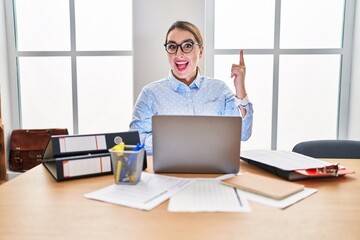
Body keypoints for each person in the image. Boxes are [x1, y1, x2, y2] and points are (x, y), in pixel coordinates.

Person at [130, 20, 253, 155]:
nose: (179, 54)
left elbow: (243, 134)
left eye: (187, 45)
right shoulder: (150, 94)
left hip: (213, 169)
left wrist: (240, 88)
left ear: (200, 51)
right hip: (166, 172)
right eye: (172, 47)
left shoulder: (219, 90)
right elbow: (136, 140)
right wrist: (176, 141)